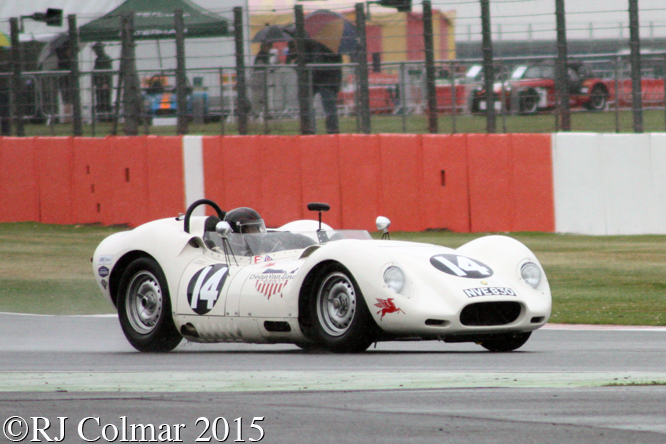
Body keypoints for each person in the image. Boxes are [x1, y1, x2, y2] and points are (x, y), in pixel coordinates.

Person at [305, 41, 342, 134]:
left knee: (327, 107)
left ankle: (310, 129)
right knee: (329, 108)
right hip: (328, 80)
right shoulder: (335, 44)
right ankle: (332, 129)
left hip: (324, 80)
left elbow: (318, 62)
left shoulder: (318, 44)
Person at [92, 42, 113, 121]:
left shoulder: (105, 59)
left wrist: (105, 83)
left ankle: (107, 117)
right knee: (101, 101)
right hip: (100, 84)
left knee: (105, 101)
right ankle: (102, 117)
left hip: (103, 84)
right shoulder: (99, 59)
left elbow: (106, 72)